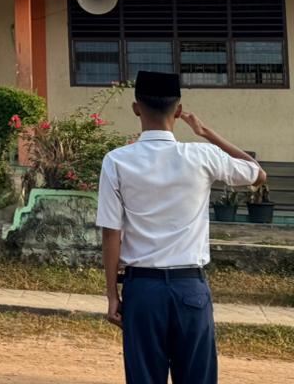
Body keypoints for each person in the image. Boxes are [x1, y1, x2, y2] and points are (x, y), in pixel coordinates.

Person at [98, 70, 265, 384]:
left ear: (136, 108)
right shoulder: (201, 155)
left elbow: (111, 233)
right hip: (190, 288)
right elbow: (258, 173)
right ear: (178, 110)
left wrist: (112, 295)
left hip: (142, 290)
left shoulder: (117, 161)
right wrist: (206, 133)